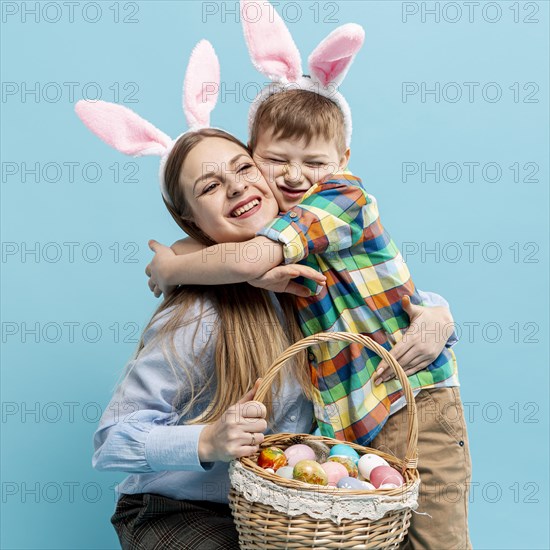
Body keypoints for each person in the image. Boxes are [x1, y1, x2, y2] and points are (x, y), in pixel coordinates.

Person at [146, 88, 472, 549]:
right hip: (352, 422)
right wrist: (181, 255)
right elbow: (218, 248)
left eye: (314, 163)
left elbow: (242, 259)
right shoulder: (271, 233)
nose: (296, 176)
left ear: (343, 160)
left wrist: (171, 269)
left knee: (433, 539)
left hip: (409, 400)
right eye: (276, 161)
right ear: (255, 157)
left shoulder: (339, 197)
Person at [93, 129, 320, 549]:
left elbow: (382, 294)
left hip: (272, 511)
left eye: (244, 167)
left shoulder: (314, 282)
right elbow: (112, 439)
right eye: (211, 186)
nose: (236, 186)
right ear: (192, 222)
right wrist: (208, 440)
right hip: (174, 509)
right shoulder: (200, 314)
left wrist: (433, 314)